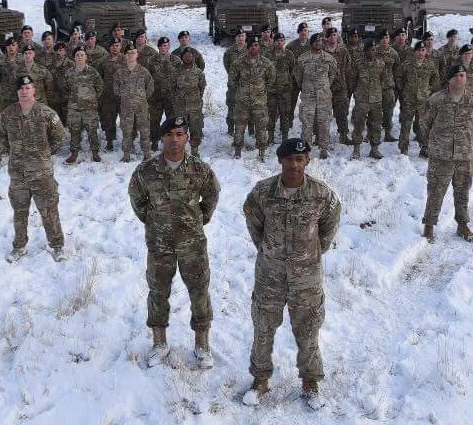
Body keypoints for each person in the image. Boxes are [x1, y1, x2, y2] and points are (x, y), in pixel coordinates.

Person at [241, 138, 341, 410]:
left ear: (307, 161)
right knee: (263, 327)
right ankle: (260, 379)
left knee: (308, 329)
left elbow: (329, 226)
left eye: (300, 159)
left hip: (306, 278)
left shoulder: (322, 195)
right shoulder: (263, 193)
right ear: (281, 161)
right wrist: (268, 249)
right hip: (270, 276)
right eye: (289, 160)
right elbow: (253, 222)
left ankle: (310, 381)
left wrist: (315, 250)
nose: (295, 165)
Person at [128, 116, 221, 369]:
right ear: (162, 138)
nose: (175, 139)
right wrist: (152, 220)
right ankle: (159, 342)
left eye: (180, 134)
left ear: (187, 138)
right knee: (158, 292)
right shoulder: (146, 171)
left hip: (192, 244)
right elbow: (137, 198)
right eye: (170, 134)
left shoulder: (200, 170)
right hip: (159, 244)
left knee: (199, 291)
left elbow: (212, 194)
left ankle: (202, 345)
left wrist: (200, 217)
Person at [0, 75, 66, 262]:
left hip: (42, 174)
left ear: (34, 89)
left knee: (49, 211)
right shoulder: (7, 114)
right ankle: (19, 246)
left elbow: (59, 137)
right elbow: (1, 137)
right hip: (18, 174)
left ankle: (57, 245)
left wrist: (43, 155)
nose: (24, 91)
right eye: (21, 89)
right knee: (20, 212)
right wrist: (15, 154)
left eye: (28, 88)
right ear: (17, 91)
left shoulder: (46, 113)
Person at [419, 64, 473, 243]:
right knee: (436, 191)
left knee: (463, 192)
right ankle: (429, 225)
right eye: (456, 76)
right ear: (449, 79)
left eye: (462, 75)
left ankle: (462, 224)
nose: (460, 79)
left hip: (464, 155)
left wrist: (466, 141)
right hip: (441, 156)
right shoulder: (436, 100)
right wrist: (435, 144)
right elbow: (424, 124)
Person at [231, 35, 275, 160]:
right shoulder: (239, 62)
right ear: (247, 47)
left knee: (261, 127)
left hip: (259, 102)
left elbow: (271, 78)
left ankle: (261, 150)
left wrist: (261, 90)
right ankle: (238, 150)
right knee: (239, 126)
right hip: (242, 102)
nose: (254, 48)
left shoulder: (266, 63)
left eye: (256, 45)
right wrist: (241, 91)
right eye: (251, 46)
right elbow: (232, 80)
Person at [295, 33, 337, 159]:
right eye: (316, 41)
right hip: (308, 97)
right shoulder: (302, 59)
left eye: (320, 42)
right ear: (311, 43)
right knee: (307, 124)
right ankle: (306, 151)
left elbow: (332, 74)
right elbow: (298, 77)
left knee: (324, 124)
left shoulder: (329, 58)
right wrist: (307, 87)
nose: (319, 44)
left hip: (324, 97)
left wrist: (324, 86)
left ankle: (323, 149)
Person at [113, 42, 155, 162]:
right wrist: (124, 96)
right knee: (127, 131)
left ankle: (147, 153)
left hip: (141, 106)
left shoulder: (143, 71)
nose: (131, 55)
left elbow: (150, 85)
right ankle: (126, 154)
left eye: (133, 53)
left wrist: (143, 97)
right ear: (125, 55)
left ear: (137, 55)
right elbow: (115, 88)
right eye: (129, 53)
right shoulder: (120, 73)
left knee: (144, 130)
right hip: (126, 107)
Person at [397, 41, 439, 156]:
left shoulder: (430, 65)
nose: (421, 53)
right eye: (418, 51)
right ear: (414, 52)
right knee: (406, 124)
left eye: (423, 50)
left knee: (423, 125)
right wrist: (404, 90)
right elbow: (399, 78)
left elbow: (435, 80)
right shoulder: (406, 64)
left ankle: (424, 147)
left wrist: (429, 91)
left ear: (425, 52)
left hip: (423, 101)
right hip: (409, 100)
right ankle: (404, 148)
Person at [63, 47, 104, 164]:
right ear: (74, 58)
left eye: (82, 55)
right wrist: (72, 100)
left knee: (92, 130)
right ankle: (74, 153)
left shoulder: (92, 72)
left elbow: (100, 86)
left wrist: (92, 98)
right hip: (74, 108)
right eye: (77, 55)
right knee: (74, 130)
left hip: (89, 108)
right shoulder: (69, 73)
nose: (80, 57)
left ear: (86, 57)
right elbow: (65, 89)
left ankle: (95, 152)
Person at [349, 40, 386, 159]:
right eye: (370, 50)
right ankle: (356, 149)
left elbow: (384, 81)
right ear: (365, 51)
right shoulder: (358, 64)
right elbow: (352, 81)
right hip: (362, 100)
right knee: (359, 124)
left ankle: (374, 149)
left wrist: (379, 94)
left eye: (374, 49)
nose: (372, 52)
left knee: (376, 125)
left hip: (376, 100)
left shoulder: (381, 64)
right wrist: (355, 94)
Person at [148, 36, 183, 150]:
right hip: (155, 96)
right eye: (162, 46)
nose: (164, 48)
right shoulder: (151, 61)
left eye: (166, 46)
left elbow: (181, 77)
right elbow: (147, 78)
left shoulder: (176, 60)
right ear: (158, 47)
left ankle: (171, 142)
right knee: (154, 121)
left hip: (171, 97)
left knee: (172, 122)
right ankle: (154, 141)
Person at [173, 47, 206, 156]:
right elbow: (173, 88)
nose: (188, 57)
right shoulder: (176, 71)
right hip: (180, 108)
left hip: (194, 107)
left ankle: (195, 150)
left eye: (190, 56)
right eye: (185, 56)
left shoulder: (198, 73)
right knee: (180, 130)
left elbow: (202, 88)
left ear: (194, 57)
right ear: (182, 57)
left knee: (195, 129)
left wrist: (195, 99)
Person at [324, 27, 353, 145]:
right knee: (323, 113)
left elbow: (348, 69)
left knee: (342, 112)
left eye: (335, 35)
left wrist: (348, 85)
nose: (333, 37)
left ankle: (343, 135)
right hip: (325, 87)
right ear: (327, 37)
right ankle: (320, 136)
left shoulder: (343, 51)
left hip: (340, 87)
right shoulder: (322, 51)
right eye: (330, 35)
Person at [266, 33, 296, 144]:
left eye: (282, 40)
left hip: (285, 90)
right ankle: (270, 136)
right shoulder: (268, 55)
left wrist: (288, 82)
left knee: (285, 114)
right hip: (271, 90)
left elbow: (293, 70)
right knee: (271, 114)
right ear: (274, 42)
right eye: (278, 40)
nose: (280, 42)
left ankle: (284, 135)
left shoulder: (289, 54)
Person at [98, 38, 125, 151]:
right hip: (108, 96)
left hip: (123, 97)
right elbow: (99, 79)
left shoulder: (126, 59)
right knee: (109, 120)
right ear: (109, 47)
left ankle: (128, 142)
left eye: (117, 45)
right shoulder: (103, 61)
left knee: (126, 120)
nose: (115, 47)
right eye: (113, 45)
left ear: (120, 46)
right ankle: (110, 142)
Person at [376, 29, 400, 142]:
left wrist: (395, 84)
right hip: (375, 87)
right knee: (374, 112)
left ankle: (387, 133)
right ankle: (372, 132)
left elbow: (397, 70)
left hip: (389, 88)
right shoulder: (374, 52)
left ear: (389, 39)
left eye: (386, 38)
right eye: (382, 38)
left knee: (388, 111)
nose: (384, 40)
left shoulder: (394, 53)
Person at [285, 22, 311, 126]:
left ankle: (308, 122)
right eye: (301, 31)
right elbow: (286, 62)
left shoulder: (312, 44)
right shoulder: (291, 45)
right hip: (294, 79)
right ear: (298, 32)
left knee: (308, 103)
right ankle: (288, 122)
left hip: (307, 79)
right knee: (291, 102)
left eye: (305, 31)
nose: (303, 33)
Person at [223, 29, 248, 136]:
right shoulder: (229, 52)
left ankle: (248, 130)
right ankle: (230, 129)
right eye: (238, 36)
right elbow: (227, 66)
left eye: (242, 36)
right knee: (232, 107)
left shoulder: (251, 49)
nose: (240, 38)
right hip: (233, 85)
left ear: (245, 37)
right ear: (235, 38)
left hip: (248, 85)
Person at [49, 41, 74, 125]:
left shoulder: (71, 64)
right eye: (56, 50)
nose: (58, 52)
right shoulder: (51, 65)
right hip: (54, 100)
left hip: (67, 99)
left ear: (65, 51)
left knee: (68, 123)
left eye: (60, 50)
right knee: (55, 123)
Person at [0, 37, 22, 110]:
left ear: (17, 46)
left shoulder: (23, 59)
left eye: (13, 45)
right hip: (6, 97)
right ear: (6, 47)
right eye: (9, 46)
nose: (11, 47)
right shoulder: (0, 60)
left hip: (20, 96)